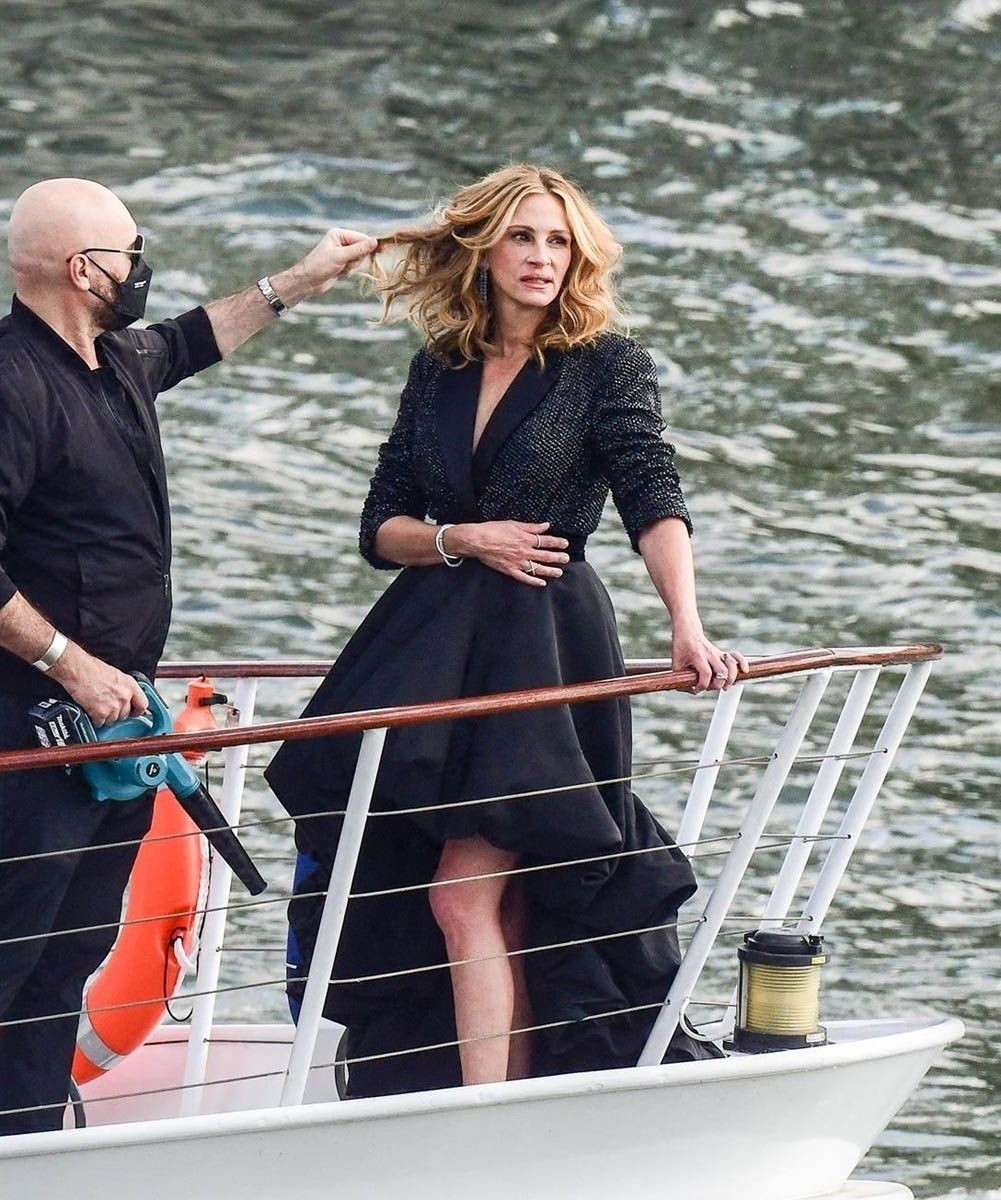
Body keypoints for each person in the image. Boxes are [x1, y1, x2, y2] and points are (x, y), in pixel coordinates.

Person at [265, 164, 748, 1099]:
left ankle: (484, 1109)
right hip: (435, 647)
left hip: (543, 645)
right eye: (522, 237)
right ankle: (490, 1091)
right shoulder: (439, 366)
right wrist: (462, 538)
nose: (540, 257)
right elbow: (380, 526)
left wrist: (687, 627)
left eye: (558, 241)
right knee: (464, 889)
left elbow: (652, 496)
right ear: (483, 249)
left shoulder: (605, 362)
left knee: (463, 893)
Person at [0, 177, 377, 1135]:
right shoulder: (10, 382)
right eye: (130, 253)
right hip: (31, 731)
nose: (140, 269)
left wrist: (303, 279)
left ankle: (27, 1144)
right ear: (85, 269)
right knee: (9, 949)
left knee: (68, 954)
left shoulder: (118, 358)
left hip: (115, 733)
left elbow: (197, 336)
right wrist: (70, 663)